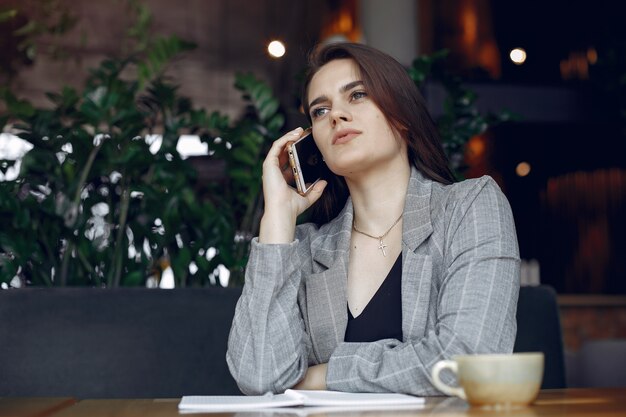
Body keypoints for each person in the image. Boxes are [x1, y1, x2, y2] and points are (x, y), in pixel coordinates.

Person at [226, 42, 520, 396]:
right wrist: (276, 223)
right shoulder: (303, 248)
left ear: (401, 115)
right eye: (320, 111)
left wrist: (324, 375)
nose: (336, 116)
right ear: (311, 144)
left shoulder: (469, 207)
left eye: (358, 95)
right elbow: (260, 376)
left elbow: (471, 362)